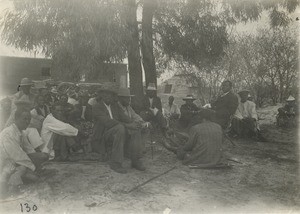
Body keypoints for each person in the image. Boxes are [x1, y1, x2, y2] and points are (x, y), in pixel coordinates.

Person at [91, 86, 145, 174]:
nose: (108, 96)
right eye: (105, 94)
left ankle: (135, 160)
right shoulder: (97, 107)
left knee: (135, 128)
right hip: (103, 136)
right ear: (101, 95)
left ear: (113, 96)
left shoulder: (114, 105)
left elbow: (125, 118)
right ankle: (115, 163)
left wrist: (135, 123)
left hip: (116, 133)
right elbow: (108, 122)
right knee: (120, 128)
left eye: (110, 94)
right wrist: (128, 125)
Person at [0, 109, 41, 196]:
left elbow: (28, 148)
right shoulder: (8, 133)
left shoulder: (20, 132)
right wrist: (32, 167)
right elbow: (17, 155)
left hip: (15, 160)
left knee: (42, 157)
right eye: (24, 119)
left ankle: (18, 178)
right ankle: (8, 184)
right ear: (16, 119)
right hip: (6, 161)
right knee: (24, 171)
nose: (27, 122)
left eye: (29, 119)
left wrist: (37, 159)